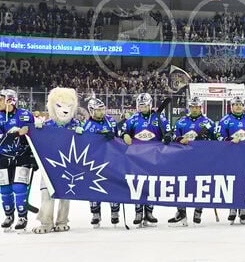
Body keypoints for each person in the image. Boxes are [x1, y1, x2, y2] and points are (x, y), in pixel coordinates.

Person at [119, 93, 171, 227]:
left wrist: (168, 136)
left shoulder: (159, 117)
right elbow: (123, 131)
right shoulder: (133, 119)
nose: (142, 107)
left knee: (151, 185)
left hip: (154, 157)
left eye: (145, 105)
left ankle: (149, 212)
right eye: (140, 105)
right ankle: (138, 212)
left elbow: (169, 131)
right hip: (136, 157)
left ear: (150, 105)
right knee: (137, 184)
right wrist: (124, 135)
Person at [168, 97, 216, 226]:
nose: (195, 109)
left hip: (202, 159)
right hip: (183, 159)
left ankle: (198, 211)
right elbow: (173, 136)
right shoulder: (181, 121)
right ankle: (181, 213)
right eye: (192, 107)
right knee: (181, 184)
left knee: (201, 185)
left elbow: (217, 141)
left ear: (201, 108)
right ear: (189, 107)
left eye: (197, 107)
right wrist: (179, 139)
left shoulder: (209, 123)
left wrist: (208, 139)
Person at [215, 95, 245, 224]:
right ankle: (232, 208)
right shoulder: (225, 120)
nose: (238, 106)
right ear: (231, 106)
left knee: (244, 182)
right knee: (231, 181)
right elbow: (218, 136)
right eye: (235, 104)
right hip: (230, 156)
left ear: (243, 106)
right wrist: (229, 140)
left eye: (240, 104)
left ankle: (243, 208)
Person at [0, 89, 35, 231]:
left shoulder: (26, 115)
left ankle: (22, 217)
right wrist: (15, 133)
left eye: (1, 99)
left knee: (19, 187)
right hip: (3, 156)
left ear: (10, 100)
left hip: (22, 156)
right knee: (4, 189)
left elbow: (34, 137)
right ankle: (9, 215)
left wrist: (34, 157)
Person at [82, 98, 121, 227]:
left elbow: (119, 136)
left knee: (113, 186)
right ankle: (95, 214)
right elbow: (83, 144)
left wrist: (114, 136)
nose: (101, 112)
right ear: (91, 110)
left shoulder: (110, 121)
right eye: (98, 110)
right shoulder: (87, 125)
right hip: (94, 161)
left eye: (102, 109)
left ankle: (115, 212)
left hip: (111, 160)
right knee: (94, 187)